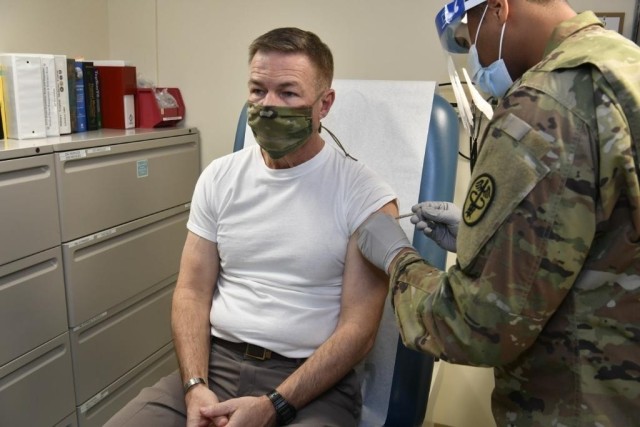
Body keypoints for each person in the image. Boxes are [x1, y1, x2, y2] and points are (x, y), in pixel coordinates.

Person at [356, 0, 640, 426]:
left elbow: (477, 325)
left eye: (470, 38)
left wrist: (398, 259)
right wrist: (483, 238)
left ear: (499, 9)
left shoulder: (545, 107)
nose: (476, 59)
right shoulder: (624, 67)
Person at [105, 27, 397, 427]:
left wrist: (274, 405)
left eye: (289, 93)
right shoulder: (219, 178)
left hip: (312, 385)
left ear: (324, 104)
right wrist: (195, 385)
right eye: (258, 90)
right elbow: (191, 292)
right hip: (215, 364)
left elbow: (359, 331)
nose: (269, 105)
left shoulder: (365, 197)